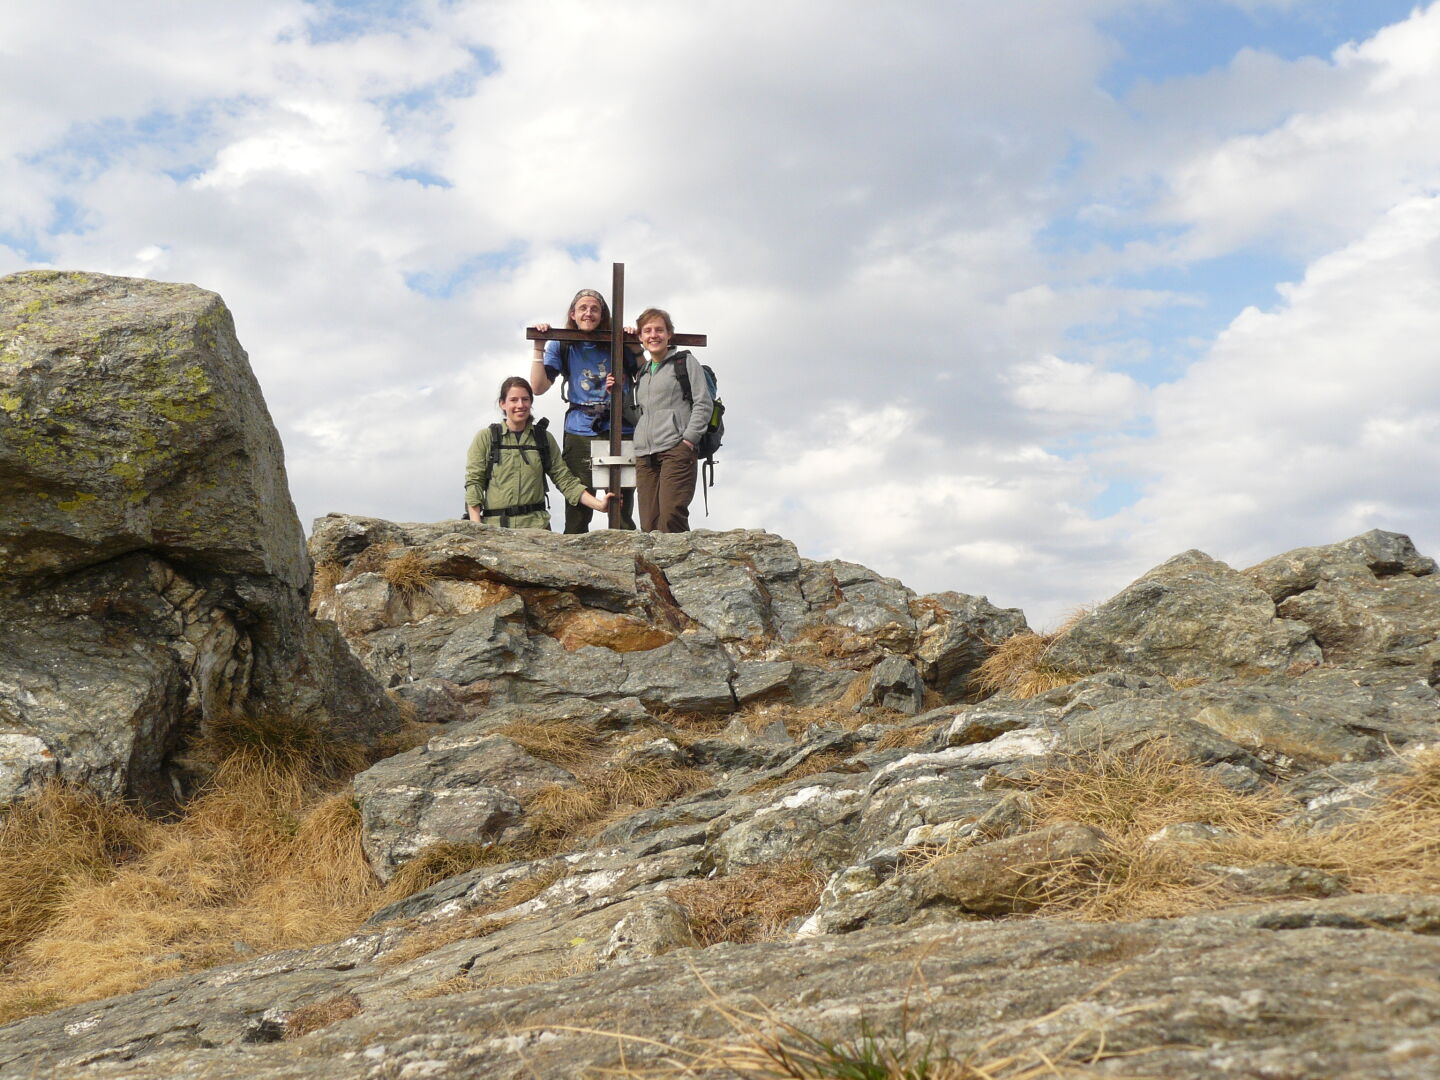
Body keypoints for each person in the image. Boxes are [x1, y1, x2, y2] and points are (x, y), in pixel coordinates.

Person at [529, 288, 638, 532]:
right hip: (580, 429)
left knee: (620, 505)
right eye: (583, 308)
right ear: (573, 314)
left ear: (602, 315)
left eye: (594, 309)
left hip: (620, 425)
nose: (588, 313)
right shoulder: (563, 343)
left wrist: (634, 342)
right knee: (578, 506)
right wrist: (539, 347)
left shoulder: (619, 342)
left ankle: (625, 558)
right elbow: (538, 387)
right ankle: (576, 559)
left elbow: (644, 371)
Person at [465, 377, 612, 529]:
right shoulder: (486, 437)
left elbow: (565, 480)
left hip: (537, 529)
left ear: (531, 402)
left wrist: (600, 505)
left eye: (525, 399)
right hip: (496, 529)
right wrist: (478, 529)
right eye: (514, 400)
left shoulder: (543, 438)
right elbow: (474, 483)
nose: (520, 405)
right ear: (503, 403)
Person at [631, 307, 712, 533]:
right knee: (648, 526)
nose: (653, 335)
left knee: (670, 517)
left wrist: (688, 441)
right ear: (640, 337)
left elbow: (703, 403)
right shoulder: (643, 372)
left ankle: (680, 569)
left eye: (659, 330)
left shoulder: (684, 362)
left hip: (676, 450)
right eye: (647, 331)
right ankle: (654, 570)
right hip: (645, 455)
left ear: (669, 334)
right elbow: (642, 414)